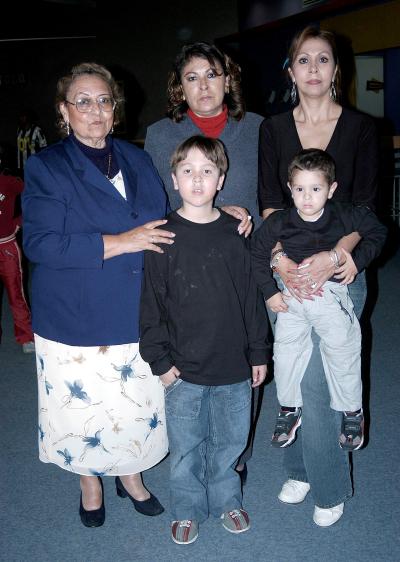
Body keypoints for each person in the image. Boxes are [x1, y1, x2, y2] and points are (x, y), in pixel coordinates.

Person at [22, 62, 176, 528]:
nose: (94, 110)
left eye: (103, 100)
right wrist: (122, 241)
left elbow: (163, 221)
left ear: (115, 110)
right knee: (84, 408)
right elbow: (40, 244)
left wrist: (215, 213)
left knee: (133, 400)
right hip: (76, 314)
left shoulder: (138, 159)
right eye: (82, 101)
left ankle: (131, 474)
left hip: (136, 308)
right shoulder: (46, 166)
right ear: (64, 112)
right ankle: (89, 482)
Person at [257, 25, 380, 527]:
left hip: (340, 270)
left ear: (336, 70)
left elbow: (369, 209)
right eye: (302, 60)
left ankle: (327, 487)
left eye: (323, 59)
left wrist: (334, 256)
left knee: (322, 381)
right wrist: (281, 261)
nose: (313, 68)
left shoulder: (362, 128)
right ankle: (302, 468)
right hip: (288, 268)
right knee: (294, 375)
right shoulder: (274, 128)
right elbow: (270, 202)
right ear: (290, 71)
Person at [139, 136, 269, 545]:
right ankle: (187, 507)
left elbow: (251, 297)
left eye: (207, 171)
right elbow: (151, 304)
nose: (197, 179)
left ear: (221, 180)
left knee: (231, 441)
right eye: (188, 171)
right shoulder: (162, 236)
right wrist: (159, 361)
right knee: (186, 447)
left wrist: (258, 351)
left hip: (233, 363)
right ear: (174, 180)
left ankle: (228, 498)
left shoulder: (236, 232)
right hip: (182, 368)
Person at [145, 39, 264, 482]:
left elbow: (273, 196)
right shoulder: (160, 136)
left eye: (212, 74)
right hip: (186, 265)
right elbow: (155, 202)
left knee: (240, 355)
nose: (204, 85)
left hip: (241, 262)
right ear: (180, 87)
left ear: (228, 79)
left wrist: (245, 214)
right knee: (190, 361)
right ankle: (189, 458)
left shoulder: (256, 128)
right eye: (191, 77)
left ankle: (233, 459)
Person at [252, 148, 386, 452]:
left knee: (342, 349)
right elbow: (257, 253)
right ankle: (288, 409)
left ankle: (352, 412)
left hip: (329, 295)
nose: (307, 197)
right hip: (292, 297)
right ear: (290, 189)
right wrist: (269, 292)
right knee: (285, 352)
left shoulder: (344, 214)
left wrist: (356, 259)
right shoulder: (280, 222)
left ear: (331, 189)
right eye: (299, 189)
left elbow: (378, 231)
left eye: (316, 189)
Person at [0, 143, 35, 353]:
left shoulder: (8, 182)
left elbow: (35, 197)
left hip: (6, 248)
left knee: (16, 294)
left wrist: (19, 222)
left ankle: (25, 337)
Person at [17, 108, 47, 175]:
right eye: (21, 116)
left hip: (34, 166)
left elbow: (44, 147)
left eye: (24, 116)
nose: (21, 118)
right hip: (21, 166)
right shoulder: (19, 130)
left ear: (29, 118)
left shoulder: (37, 130)